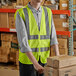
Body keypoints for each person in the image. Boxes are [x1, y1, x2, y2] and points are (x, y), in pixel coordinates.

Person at [15, 0, 60, 76]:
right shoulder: (21, 13)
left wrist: (58, 58)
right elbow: (23, 42)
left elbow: (53, 37)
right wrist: (35, 63)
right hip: (28, 62)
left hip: (44, 59)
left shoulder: (48, 12)